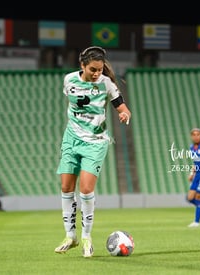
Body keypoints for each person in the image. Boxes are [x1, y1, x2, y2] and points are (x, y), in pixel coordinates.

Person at [54, 46, 131, 258]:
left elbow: (122, 107)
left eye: (99, 69)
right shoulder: (69, 80)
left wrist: (124, 115)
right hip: (71, 140)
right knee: (66, 187)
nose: (97, 73)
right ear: (82, 66)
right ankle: (71, 236)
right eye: (92, 69)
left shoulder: (107, 83)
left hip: (95, 143)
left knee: (86, 190)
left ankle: (87, 236)